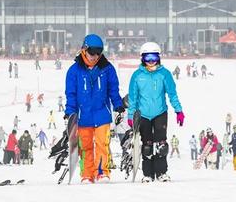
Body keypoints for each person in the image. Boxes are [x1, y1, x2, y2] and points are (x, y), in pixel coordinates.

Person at [65, 34, 124, 183]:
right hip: (83, 116)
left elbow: (113, 90)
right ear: (84, 49)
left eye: (99, 52)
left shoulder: (107, 69)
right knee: (85, 147)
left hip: (102, 113)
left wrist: (118, 105)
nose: (95, 56)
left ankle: (102, 172)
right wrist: (70, 113)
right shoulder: (74, 71)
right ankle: (87, 174)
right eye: (92, 52)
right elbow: (71, 94)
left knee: (102, 144)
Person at [128, 41, 184, 182]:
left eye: (154, 57)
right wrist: (131, 115)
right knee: (147, 146)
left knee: (161, 145)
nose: (151, 61)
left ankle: (161, 173)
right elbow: (133, 98)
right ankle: (148, 174)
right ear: (142, 58)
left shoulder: (164, 74)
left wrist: (178, 110)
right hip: (143, 115)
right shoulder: (137, 76)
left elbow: (172, 94)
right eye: (148, 58)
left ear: (158, 57)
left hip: (160, 113)